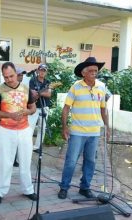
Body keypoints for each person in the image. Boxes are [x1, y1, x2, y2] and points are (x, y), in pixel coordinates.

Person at [57, 57, 110, 200]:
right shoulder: (76, 87)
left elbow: (103, 109)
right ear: (83, 73)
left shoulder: (102, 87)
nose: (94, 73)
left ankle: (84, 187)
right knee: (71, 161)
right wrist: (64, 127)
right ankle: (64, 187)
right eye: (91, 71)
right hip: (77, 132)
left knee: (90, 161)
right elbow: (66, 108)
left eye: (96, 71)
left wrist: (107, 127)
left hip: (94, 132)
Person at [0, 62, 37, 205]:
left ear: (16, 73)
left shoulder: (26, 89)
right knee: (4, 163)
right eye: (6, 77)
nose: (9, 79)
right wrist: (9, 116)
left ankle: (28, 189)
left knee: (25, 161)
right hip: (5, 131)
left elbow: (33, 108)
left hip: (24, 130)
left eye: (11, 76)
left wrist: (27, 112)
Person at [28, 63, 52, 152]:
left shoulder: (48, 82)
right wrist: (41, 92)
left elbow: (49, 94)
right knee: (30, 127)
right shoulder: (33, 80)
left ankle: (37, 147)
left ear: (46, 72)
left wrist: (39, 93)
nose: (42, 72)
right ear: (38, 71)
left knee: (42, 128)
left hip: (44, 106)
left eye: (44, 71)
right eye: (41, 70)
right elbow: (32, 93)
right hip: (34, 106)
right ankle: (28, 146)